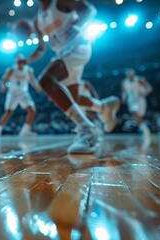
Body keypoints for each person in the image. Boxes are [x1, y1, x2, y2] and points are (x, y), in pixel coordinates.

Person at [23, 0, 119, 153]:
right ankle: (103, 107)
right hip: (64, 53)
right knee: (73, 99)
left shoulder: (59, 3)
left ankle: (88, 129)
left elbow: (89, 10)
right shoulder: (37, 21)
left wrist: (78, 25)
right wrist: (27, 60)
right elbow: (41, 49)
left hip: (78, 47)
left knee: (46, 80)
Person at [0, 54, 42, 138]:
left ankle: (24, 132)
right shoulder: (12, 70)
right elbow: (4, 79)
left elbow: (33, 80)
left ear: (24, 60)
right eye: (18, 61)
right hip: (13, 93)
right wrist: (3, 86)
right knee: (8, 112)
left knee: (32, 111)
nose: (20, 62)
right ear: (16, 61)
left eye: (21, 60)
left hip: (24, 93)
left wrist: (37, 87)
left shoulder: (28, 70)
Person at [122, 68, 152, 137]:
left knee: (140, 116)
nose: (129, 76)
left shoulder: (139, 79)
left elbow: (149, 88)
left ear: (133, 74)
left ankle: (143, 128)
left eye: (131, 74)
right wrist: (123, 98)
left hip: (140, 99)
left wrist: (145, 93)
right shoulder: (124, 82)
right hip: (131, 100)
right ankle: (145, 129)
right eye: (128, 74)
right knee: (134, 112)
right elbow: (124, 92)